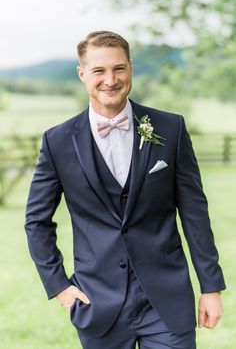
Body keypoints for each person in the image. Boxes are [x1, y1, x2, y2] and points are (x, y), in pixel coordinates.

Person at [25, 30, 225, 349]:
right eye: (99, 71)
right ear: (82, 74)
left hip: (167, 301)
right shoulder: (58, 141)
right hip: (97, 302)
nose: (111, 80)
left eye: (119, 68)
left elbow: (195, 213)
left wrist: (211, 287)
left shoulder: (170, 129)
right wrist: (60, 287)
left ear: (130, 68)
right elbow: (37, 222)